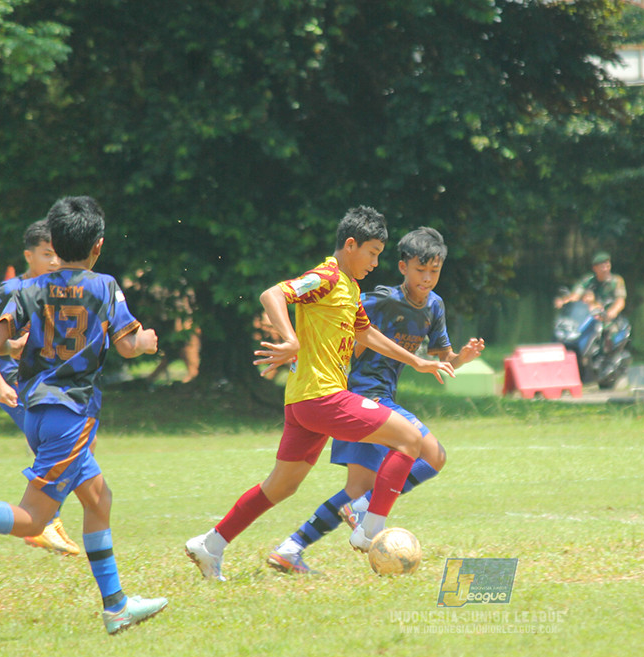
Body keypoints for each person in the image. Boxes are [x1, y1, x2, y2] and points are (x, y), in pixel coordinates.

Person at [184, 206, 455, 581]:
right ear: (350, 245)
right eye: (373, 252)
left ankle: (210, 545)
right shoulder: (326, 275)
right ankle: (370, 529)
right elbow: (272, 295)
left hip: (304, 401)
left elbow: (366, 334)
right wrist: (291, 339)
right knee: (409, 440)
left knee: (281, 486)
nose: (376, 262)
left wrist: (417, 361)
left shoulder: (349, 286)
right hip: (322, 397)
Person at [0, 196, 168, 634]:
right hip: (71, 415)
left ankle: (117, 606)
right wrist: (148, 341)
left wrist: (15, 346)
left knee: (99, 499)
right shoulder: (104, 286)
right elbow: (126, 344)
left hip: (38, 412)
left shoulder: (30, 288)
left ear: (55, 244)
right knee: (35, 519)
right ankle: (116, 607)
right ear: (97, 247)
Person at [266, 227, 484, 574]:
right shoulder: (379, 299)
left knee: (356, 489)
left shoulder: (435, 307)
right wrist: (295, 347)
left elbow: (440, 363)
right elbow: (333, 318)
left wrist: (462, 360)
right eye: (419, 270)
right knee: (433, 455)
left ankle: (291, 548)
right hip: (361, 396)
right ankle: (365, 512)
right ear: (403, 268)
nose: (426, 279)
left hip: (380, 398)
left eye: (434, 272)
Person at [0, 220, 82, 555]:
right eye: (46, 254)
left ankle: (47, 521)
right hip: (15, 385)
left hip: (43, 385)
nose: (54, 261)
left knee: (74, 450)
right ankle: (45, 523)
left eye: (58, 254)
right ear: (29, 255)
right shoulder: (10, 289)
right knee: (59, 449)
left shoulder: (57, 290)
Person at [554, 251, 627, 325]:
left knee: (610, 331)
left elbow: (620, 301)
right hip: (589, 317)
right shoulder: (587, 280)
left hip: (608, 318)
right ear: (594, 268)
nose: (605, 269)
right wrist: (563, 301)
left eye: (607, 265)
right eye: (602, 266)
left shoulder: (617, 281)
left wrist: (613, 311)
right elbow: (575, 295)